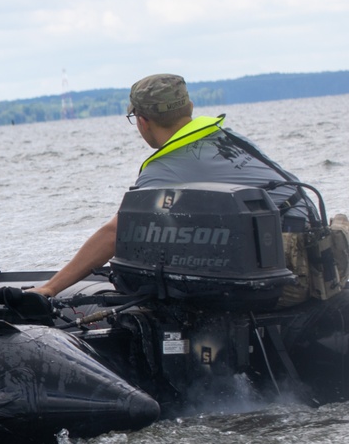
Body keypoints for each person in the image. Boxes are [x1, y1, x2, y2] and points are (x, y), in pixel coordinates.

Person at [32, 73, 347, 307]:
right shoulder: (227, 137)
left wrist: (50, 288)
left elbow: (115, 233)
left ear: (142, 120)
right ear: (190, 107)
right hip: (324, 258)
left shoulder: (164, 168)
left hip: (289, 275)